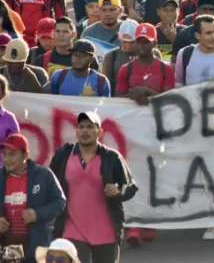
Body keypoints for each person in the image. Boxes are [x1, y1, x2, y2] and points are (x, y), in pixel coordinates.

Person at [49, 111, 138, 263]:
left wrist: (117, 191)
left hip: (106, 229)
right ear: (76, 131)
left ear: (100, 132)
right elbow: (50, 184)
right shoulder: (63, 155)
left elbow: (129, 186)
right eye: (81, 127)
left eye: (90, 127)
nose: (85, 131)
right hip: (72, 228)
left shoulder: (112, 157)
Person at [0, 133, 66, 262]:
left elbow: (59, 202)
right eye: (4, 154)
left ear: (25, 155)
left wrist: (38, 214)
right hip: (4, 251)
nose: (6, 159)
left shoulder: (44, 175)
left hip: (35, 249)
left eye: (12, 154)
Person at [175, 14, 214, 91]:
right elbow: (178, 81)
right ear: (197, 35)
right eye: (208, 33)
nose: (213, 37)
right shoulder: (184, 53)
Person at [116, 23, 175, 106]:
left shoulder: (166, 68)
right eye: (139, 42)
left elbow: (168, 100)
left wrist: (146, 90)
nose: (142, 46)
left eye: (146, 42)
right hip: (132, 117)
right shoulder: (125, 69)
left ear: (154, 43)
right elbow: (117, 100)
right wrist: (133, 96)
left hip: (157, 117)